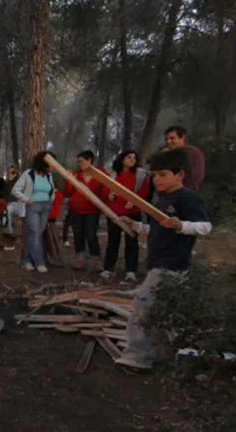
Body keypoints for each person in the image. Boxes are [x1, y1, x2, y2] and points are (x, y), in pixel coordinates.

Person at [116, 149, 212, 370]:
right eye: (154, 175)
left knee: (143, 306)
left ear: (180, 174)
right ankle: (167, 355)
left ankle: (136, 356)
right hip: (159, 262)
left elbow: (205, 226)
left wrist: (182, 225)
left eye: (163, 174)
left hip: (171, 264)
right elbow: (159, 229)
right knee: (164, 313)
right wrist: (136, 226)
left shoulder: (187, 197)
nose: (157, 180)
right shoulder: (163, 200)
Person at [102, 151, 150, 281]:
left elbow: (144, 192)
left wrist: (134, 202)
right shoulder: (113, 174)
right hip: (114, 212)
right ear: (122, 159)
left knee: (132, 241)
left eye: (134, 158)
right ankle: (108, 269)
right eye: (129, 157)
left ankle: (131, 271)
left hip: (132, 213)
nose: (132, 160)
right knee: (113, 241)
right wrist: (109, 195)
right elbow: (106, 188)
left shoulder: (140, 174)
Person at [11, 151, 57, 273]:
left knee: (35, 235)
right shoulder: (29, 174)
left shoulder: (49, 176)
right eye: (51, 163)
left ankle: (27, 261)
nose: (53, 166)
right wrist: (27, 200)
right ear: (44, 162)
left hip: (46, 206)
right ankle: (39, 263)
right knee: (35, 234)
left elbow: (52, 190)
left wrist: (51, 199)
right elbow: (15, 190)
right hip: (33, 206)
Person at [62, 151, 105, 269]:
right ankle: (80, 259)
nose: (79, 164)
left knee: (91, 235)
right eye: (78, 161)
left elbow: (105, 190)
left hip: (92, 210)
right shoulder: (76, 174)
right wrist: (69, 180)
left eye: (81, 161)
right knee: (78, 235)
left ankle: (96, 260)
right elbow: (67, 192)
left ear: (89, 160)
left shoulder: (100, 174)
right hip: (75, 210)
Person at [164, 126, 205, 191]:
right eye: (166, 139)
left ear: (182, 137)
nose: (168, 141)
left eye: (172, 138)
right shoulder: (167, 154)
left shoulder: (193, 153)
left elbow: (197, 176)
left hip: (186, 191)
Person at [4, 164, 24, 234]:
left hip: (17, 202)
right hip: (9, 202)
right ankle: (10, 231)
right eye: (9, 172)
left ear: (15, 172)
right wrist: (9, 181)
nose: (11, 173)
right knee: (9, 213)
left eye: (12, 172)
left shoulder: (19, 180)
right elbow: (5, 192)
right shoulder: (7, 181)